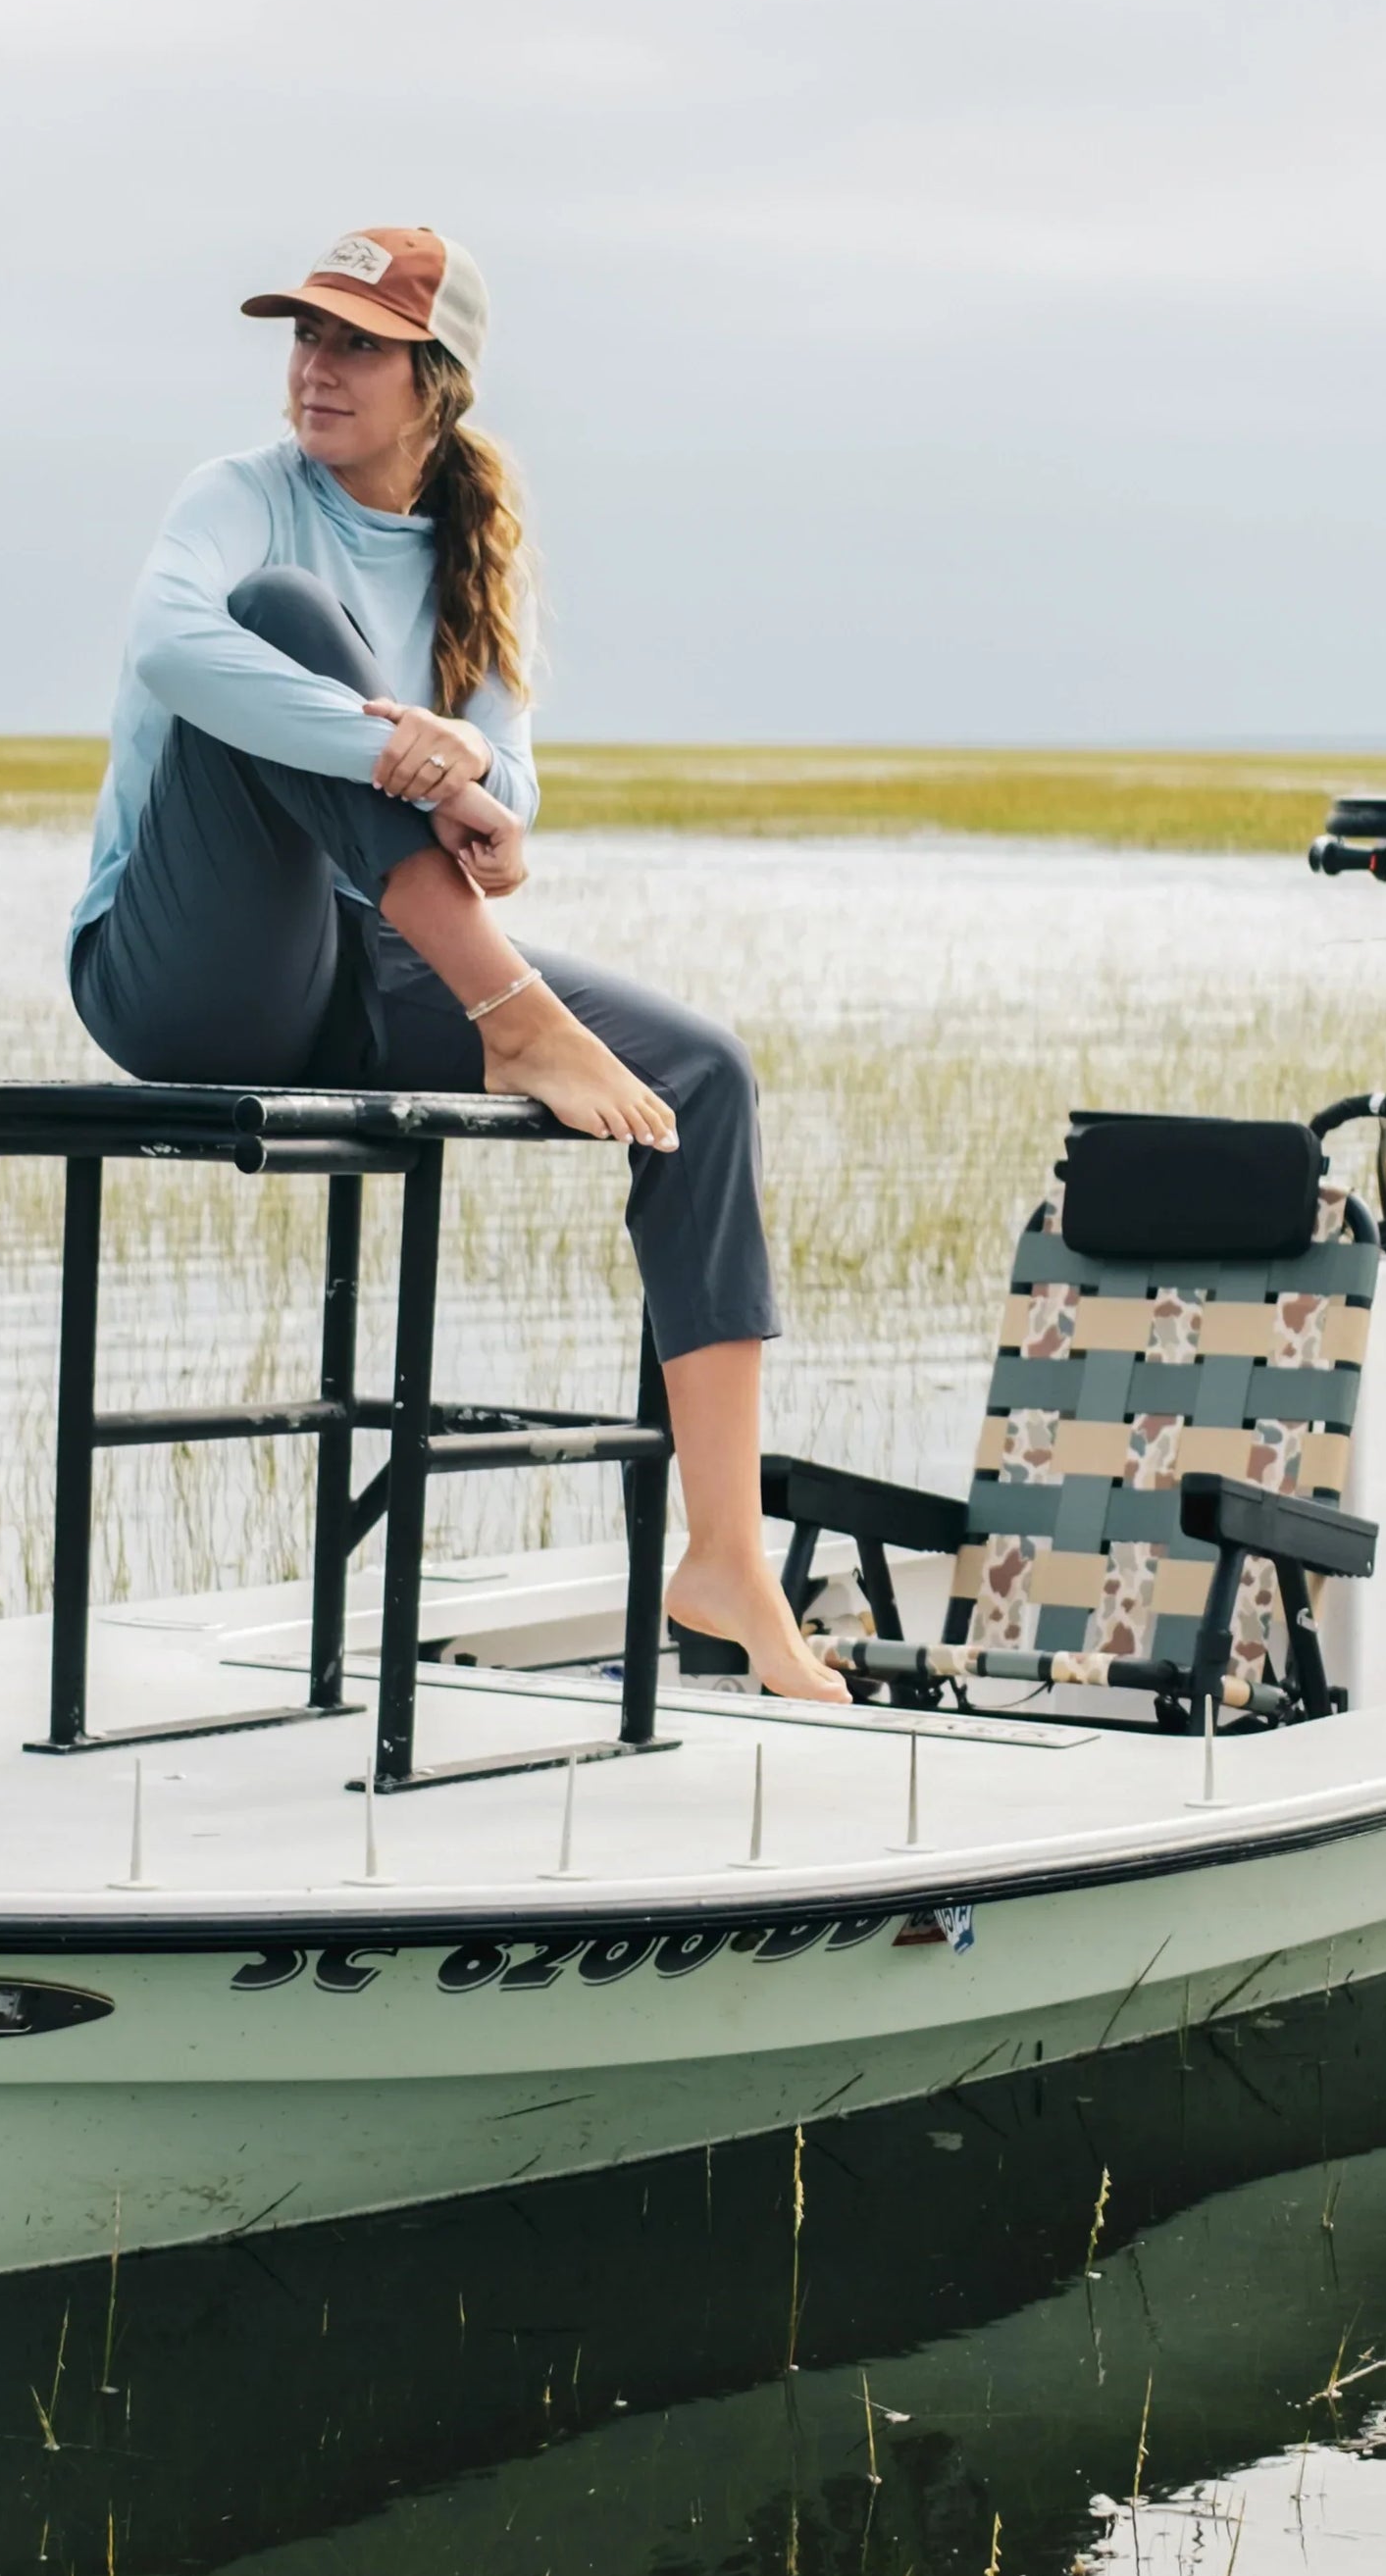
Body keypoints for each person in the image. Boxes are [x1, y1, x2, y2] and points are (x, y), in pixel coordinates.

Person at [66, 224, 845, 1701]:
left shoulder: (478, 548)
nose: (315, 367)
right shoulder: (239, 502)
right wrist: (399, 748)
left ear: (440, 381)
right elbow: (174, 651)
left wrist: (467, 758)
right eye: (305, 335)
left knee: (704, 1076)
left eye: (355, 342)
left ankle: (729, 1557)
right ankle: (510, 1008)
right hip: (176, 974)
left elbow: (515, 789)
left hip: (354, 963)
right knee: (279, 625)